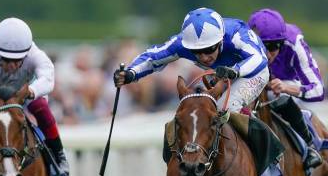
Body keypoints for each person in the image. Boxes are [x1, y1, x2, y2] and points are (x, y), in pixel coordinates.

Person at [0, 17, 69, 176]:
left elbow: (48, 78)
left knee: (40, 106)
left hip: (23, 94)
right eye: (7, 59)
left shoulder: (35, 54)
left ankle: (59, 155)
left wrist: (31, 91)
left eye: (18, 61)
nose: (12, 66)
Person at [113, 7, 269, 113]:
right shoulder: (181, 44)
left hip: (253, 72)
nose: (203, 57)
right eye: (196, 52)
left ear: (221, 40)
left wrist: (235, 71)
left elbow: (259, 58)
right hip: (221, 75)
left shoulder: (236, 35)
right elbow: (151, 57)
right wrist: (130, 73)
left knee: (225, 108)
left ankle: (265, 159)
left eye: (209, 49)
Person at [248, 8, 323, 170]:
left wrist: (286, 87)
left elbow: (318, 91)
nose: (267, 54)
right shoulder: (242, 42)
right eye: (262, 46)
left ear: (282, 43)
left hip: (289, 82)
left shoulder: (294, 42)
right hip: (259, 82)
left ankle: (310, 145)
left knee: (278, 97)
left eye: (274, 46)